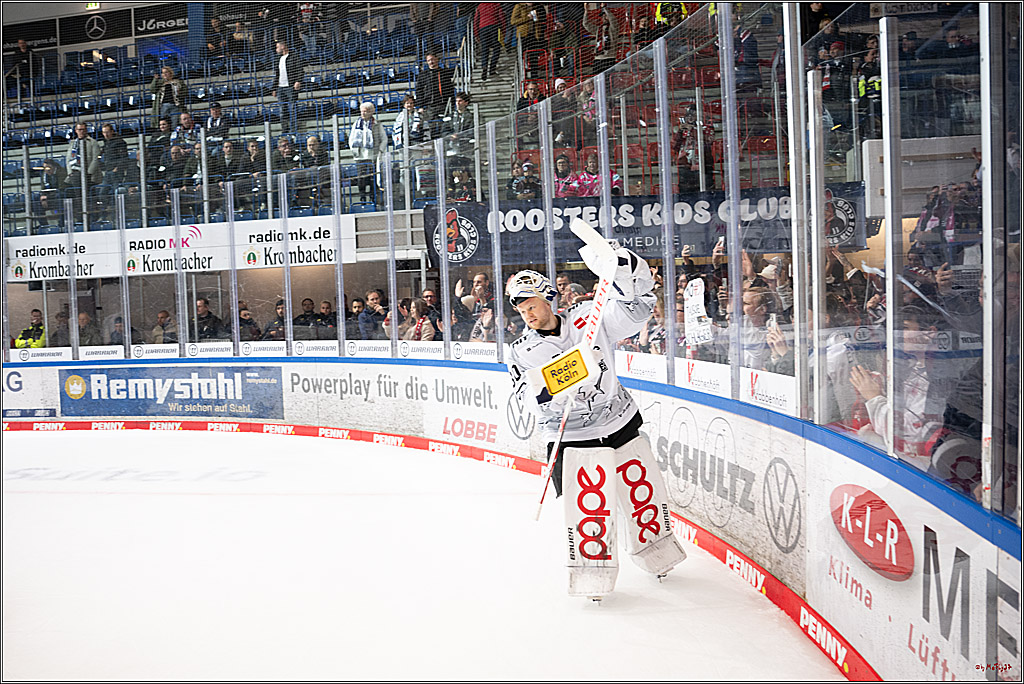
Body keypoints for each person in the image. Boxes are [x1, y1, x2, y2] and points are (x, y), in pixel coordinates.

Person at [505, 253, 686, 599]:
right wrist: (564, 377)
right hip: (570, 435)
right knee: (591, 505)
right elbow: (524, 397)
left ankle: (656, 548)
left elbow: (635, 315)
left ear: (548, 298)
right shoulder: (521, 351)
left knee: (639, 489)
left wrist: (626, 273)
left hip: (618, 419)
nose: (527, 313)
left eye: (532, 304)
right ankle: (593, 569)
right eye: (521, 308)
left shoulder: (588, 317)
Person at [348, 102, 386, 205]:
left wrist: (380, 151)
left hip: (372, 156)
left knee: (373, 178)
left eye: (365, 111)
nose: (363, 113)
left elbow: (384, 139)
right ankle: (362, 198)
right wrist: (354, 150)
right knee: (361, 179)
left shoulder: (377, 124)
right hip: (360, 157)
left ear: (371, 112)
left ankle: (374, 198)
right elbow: (351, 139)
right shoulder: (356, 124)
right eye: (362, 111)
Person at [273, 40, 305, 136]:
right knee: (282, 110)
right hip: (280, 88)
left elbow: (300, 69)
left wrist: (298, 81)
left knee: (292, 109)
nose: (276, 49)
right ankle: (284, 130)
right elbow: (276, 74)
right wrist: (274, 88)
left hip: (290, 87)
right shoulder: (278, 59)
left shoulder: (294, 56)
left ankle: (293, 130)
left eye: (277, 47)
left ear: (283, 47)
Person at [415, 51, 455, 120]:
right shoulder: (423, 75)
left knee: (445, 127)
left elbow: (450, 89)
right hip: (429, 107)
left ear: (437, 59)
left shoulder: (444, 73)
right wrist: (420, 106)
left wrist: (452, 104)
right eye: (428, 60)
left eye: (432, 59)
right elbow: (419, 91)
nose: (431, 62)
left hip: (443, 105)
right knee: (432, 128)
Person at [148, 66, 187, 130]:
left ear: (170, 73)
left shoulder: (178, 82)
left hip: (175, 105)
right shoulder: (160, 83)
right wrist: (155, 79)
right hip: (163, 105)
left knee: (175, 122)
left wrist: (180, 92)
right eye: (163, 73)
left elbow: (185, 92)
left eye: (166, 72)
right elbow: (152, 90)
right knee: (164, 122)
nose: (164, 74)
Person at [65, 122, 102, 190]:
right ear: (76, 130)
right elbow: (68, 159)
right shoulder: (73, 143)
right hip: (74, 174)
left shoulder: (93, 142)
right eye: (79, 130)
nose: (81, 131)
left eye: (83, 129)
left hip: (88, 175)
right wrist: (70, 173)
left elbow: (96, 159)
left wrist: (88, 173)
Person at [474, 2, 505, 81]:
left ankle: (484, 66)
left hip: (483, 28)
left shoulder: (480, 6)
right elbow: (502, 17)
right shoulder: (496, 4)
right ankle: (492, 68)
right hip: (494, 26)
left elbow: (476, 20)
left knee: (485, 49)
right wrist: (503, 31)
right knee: (496, 48)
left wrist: (477, 34)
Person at [99, 123, 130, 188]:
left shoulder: (119, 142)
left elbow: (124, 157)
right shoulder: (106, 143)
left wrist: (117, 168)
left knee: (116, 190)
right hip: (108, 171)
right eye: (104, 132)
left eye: (107, 132)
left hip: (116, 172)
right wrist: (102, 166)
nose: (106, 134)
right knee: (102, 192)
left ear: (112, 131)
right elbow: (100, 156)